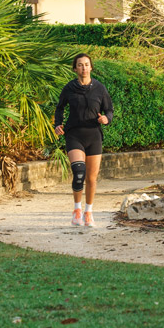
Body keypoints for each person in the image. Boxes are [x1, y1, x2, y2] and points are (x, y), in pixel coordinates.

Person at [54, 53, 113, 227]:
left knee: (92, 179)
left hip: (94, 135)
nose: (84, 68)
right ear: (75, 69)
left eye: (86, 65)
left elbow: (109, 110)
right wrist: (58, 124)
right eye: (80, 65)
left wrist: (106, 119)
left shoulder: (99, 88)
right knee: (79, 172)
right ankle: (77, 209)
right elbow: (60, 108)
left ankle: (89, 211)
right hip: (74, 135)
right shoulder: (69, 88)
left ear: (91, 67)